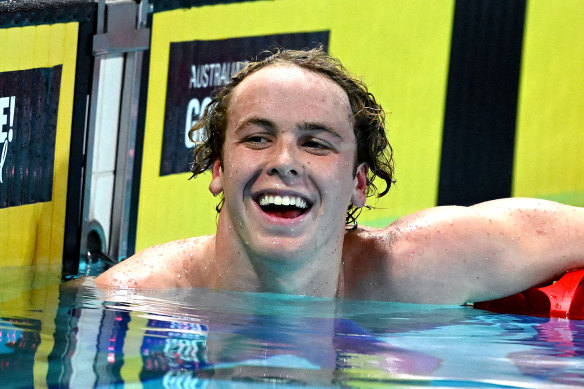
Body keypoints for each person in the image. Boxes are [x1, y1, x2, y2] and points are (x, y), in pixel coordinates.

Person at [96, 48, 584, 305]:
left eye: (316, 143)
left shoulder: (417, 266)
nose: (284, 161)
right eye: (258, 138)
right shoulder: (140, 297)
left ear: (359, 183)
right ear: (219, 169)